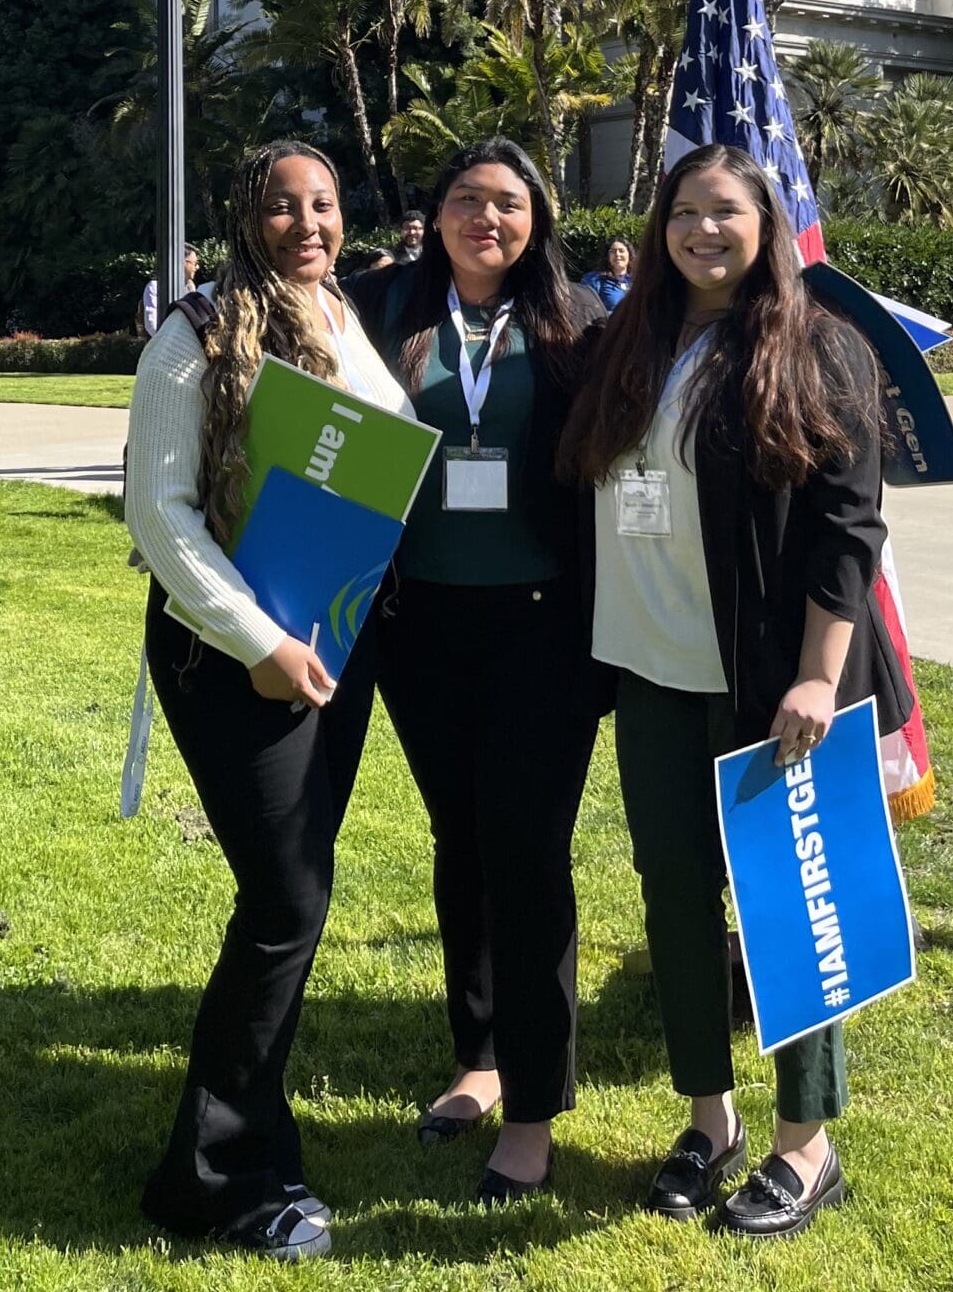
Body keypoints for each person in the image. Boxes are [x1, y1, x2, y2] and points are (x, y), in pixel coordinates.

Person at [559, 144, 910, 1241]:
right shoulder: (631, 341)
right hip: (652, 669)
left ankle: (807, 1145)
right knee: (675, 900)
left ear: (766, 225)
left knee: (793, 913)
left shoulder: (822, 348)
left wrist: (816, 672)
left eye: (725, 212)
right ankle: (708, 1119)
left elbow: (849, 527)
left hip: (773, 683)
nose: (701, 230)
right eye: (683, 212)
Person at [124, 142, 409, 1262]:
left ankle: (242, 1137)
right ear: (245, 217)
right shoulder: (193, 336)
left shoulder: (342, 316)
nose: (307, 223)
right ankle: (220, 1175)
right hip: (228, 654)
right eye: (283, 206)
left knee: (295, 899)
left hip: (332, 646)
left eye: (324, 204)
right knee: (287, 901)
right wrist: (257, 640)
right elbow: (160, 516)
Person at [351, 138, 606, 1207]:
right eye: (466, 198)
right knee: (461, 838)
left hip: (546, 628)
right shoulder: (382, 311)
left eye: (507, 202)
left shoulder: (580, 325)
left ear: (537, 219)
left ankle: (535, 1112)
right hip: (422, 625)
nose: (485, 218)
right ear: (436, 212)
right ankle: (480, 1054)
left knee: (530, 850)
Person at [140, 246, 200, 335]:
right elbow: (151, 324)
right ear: (183, 262)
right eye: (194, 263)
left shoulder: (190, 287)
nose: (197, 267)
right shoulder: (155, 287)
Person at [580, 236, 634, 313]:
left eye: (621, 251)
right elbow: (585, 310)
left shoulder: (637, 281)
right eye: (613, 251)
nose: (617, 254)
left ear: (629, 255)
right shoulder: (595, 279)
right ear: (607, 257)